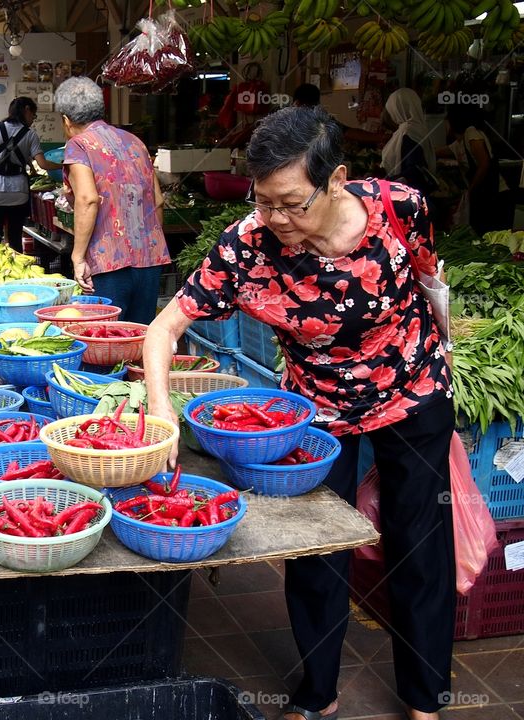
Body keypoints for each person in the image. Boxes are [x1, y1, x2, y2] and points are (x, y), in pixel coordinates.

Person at [143, 106, 454, 720]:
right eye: (264, 202)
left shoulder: (400, 207)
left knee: (418, 543)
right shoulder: (246, 245)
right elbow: (164, 329)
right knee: (316, 550)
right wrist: (161, 410)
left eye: (292, 203)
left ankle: (427, 698)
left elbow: (427, 279)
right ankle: (319, 693)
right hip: (313, 411)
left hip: (412, 391)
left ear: (336, 179)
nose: (277, 219)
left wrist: (444, 352)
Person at [54, 77, 170, 324]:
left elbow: (87, 200)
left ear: (66, 119)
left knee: (106, 342)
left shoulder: (78, 146)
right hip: (150, 261)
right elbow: (157, 200)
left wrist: (78, 257)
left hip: (108, 264)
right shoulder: (135, 142)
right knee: (138, 339)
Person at [0, 96, 62, 254]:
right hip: (19, 192)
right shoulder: (30, 135)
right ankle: (17, 274)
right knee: (14, 237)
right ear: (26, 110)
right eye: (33, 115)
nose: (33, 119)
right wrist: (64, 165)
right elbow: (43, 164)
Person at [438, 104, 514, 233]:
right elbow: (435, 152)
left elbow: (484, 163)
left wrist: (471, 189)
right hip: (487, 198)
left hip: (496, 197)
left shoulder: (471, 133)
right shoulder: (458, 144)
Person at [381, 88, 438, 197]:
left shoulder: (408, 132)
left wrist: (385, 181)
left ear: (398, 108)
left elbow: (414, 170)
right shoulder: (419, 128)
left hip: (407, 195)